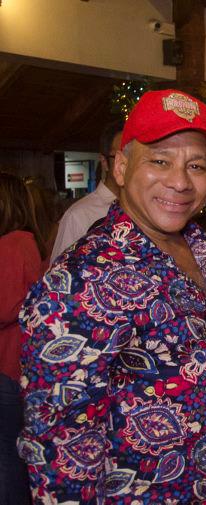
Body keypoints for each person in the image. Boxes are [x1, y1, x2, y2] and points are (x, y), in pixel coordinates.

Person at [18, 89, 206, 503]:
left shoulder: (203, 249)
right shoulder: (82, 278)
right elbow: (59, 451)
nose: (180, 181)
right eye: (160, 161)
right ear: (121, 167)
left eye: (196, 165)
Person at [0, 173, 44, 505]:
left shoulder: (11, 244)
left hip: (8, 366)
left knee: (8, 459)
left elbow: (6, 307)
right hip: (17, 366)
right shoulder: (25, 240)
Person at [50, 119, 124, 263]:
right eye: (118, 157)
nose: (127, 163)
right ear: (104, 162)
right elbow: (58, 271)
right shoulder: (78, 215)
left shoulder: (146, 210)